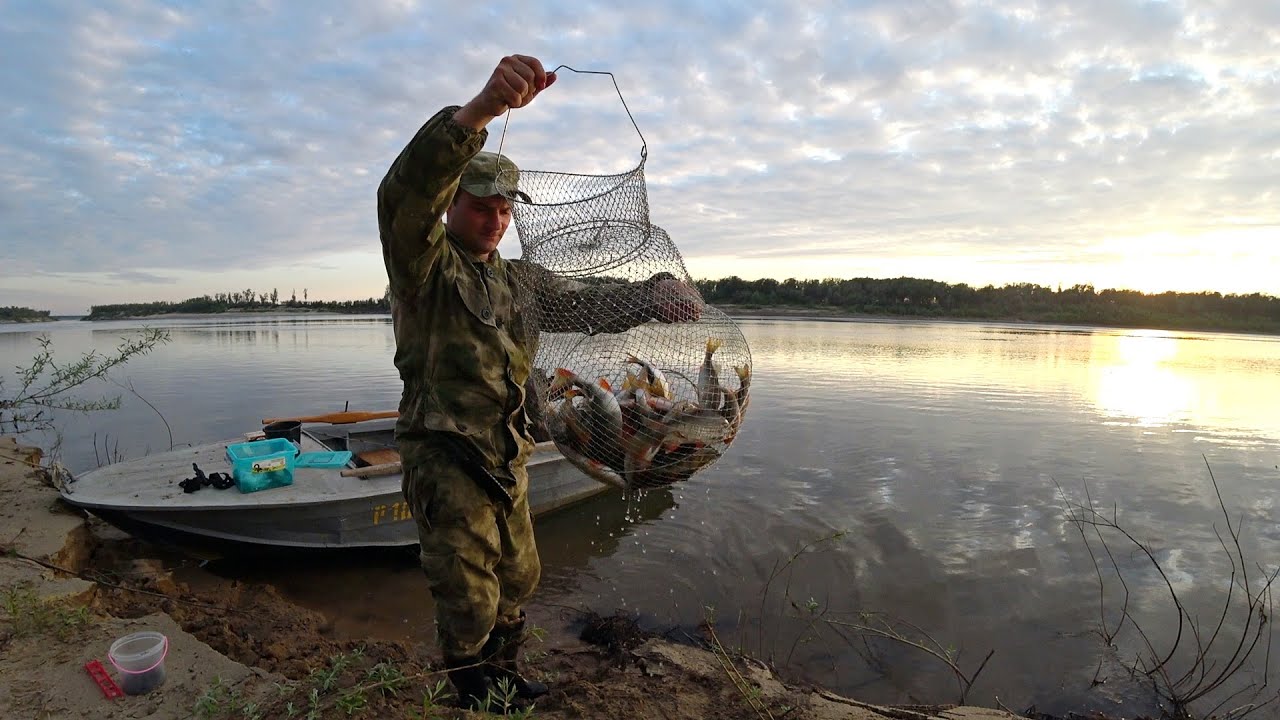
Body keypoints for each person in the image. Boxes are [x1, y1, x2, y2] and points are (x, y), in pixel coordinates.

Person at [376, 54, 701, 711]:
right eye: (480, 208)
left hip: (508, 455)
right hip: (446, 458)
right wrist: (480, 110)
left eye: (504, 210)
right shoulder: (424, 268)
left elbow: (587, 301)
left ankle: (505, 677)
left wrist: (655, 294)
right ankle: (474, 695)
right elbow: (404, 194)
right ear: (450, 205)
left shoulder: (519, 279)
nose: (495, 221)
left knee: (520, 577)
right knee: (467, 595)